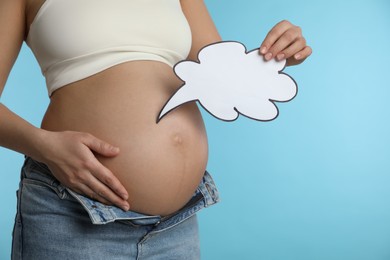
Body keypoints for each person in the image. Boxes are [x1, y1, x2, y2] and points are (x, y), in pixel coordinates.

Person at [1, 0, 312, 259]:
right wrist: (44, 146)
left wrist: (276, 57)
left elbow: (223, 74)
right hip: (74, 212)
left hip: (176, 228)